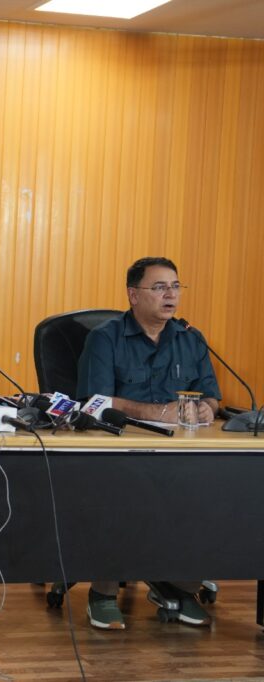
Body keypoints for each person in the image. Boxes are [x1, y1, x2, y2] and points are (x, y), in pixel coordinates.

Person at [76, 256, 220, 631]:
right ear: (133, 294)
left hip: (181, 450)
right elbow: (93, 400)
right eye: (159, 287)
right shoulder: (104, 338)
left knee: (214, 491)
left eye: (175, 286)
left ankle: (179, 587)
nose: (170, 294)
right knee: (121, 494)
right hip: (121, 447)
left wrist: (207, 407)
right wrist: (155, 412)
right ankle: (103, 593)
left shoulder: (191, 338)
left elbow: (211, 395)